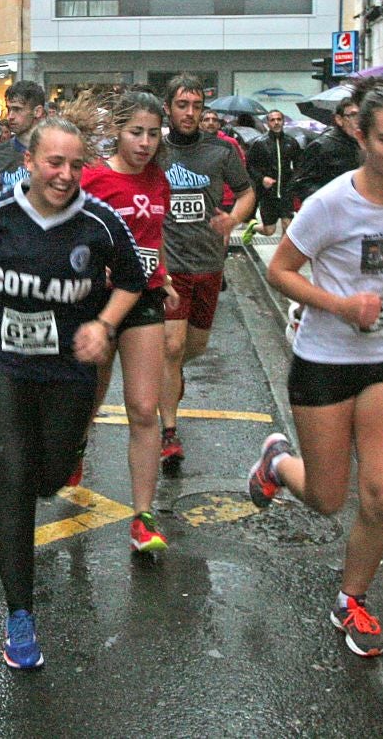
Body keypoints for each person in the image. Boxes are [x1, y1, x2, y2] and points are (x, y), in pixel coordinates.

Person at [0, 116, 142, 671]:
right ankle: (20, 614)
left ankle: (69, 455)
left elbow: (134, 281)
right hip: (0, 366)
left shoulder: (101, 222)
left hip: (67, 373)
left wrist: (104, 324)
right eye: (53, 162)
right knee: (12, 479)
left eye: (74, 164)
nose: (65, 175)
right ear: (30, 162)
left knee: (48, 478)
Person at [247, 80, 383, 658]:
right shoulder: (330, 203)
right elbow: (282, 271)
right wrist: (341, 305)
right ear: (358, 134)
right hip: (325, 360)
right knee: (326, 498)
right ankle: (276, 462)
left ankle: (351, 600)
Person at [78, 91, 177, 553]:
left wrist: (165, 276)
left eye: (154, 134)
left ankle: (142, 516)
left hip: (145, 300)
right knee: (88, 402)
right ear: (118, 131)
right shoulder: (95, 178)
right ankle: (75, 449)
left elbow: (151, 240)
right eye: (136, 132)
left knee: (143, 408)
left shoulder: (160, 180)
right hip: (97, 303)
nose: (145, 142)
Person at [157, 75, 255, 471]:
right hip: (171, 264)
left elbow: (248, 192)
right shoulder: (156, 151)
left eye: (196, 105)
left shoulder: (222, 151)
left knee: (192, 348)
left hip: (209, 262)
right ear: (169, 108)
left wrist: (233, 218)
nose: (190, 112)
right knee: (172, 346)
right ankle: (169, 433)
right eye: (182, 105)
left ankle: (170, 378)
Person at [244, 110, 301, 239]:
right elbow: (249, 166)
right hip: (268, 194)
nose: (276, 123)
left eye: (279, 119)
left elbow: (299, 165)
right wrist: (262, 178)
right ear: (268, 123)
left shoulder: (291, 142)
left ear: (283, 121)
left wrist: (295, 181)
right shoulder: (259, 143)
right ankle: (253, 227)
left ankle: (284, 258)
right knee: (269, 230)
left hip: (286, 192)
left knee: (288, 226)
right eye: (272, 120)